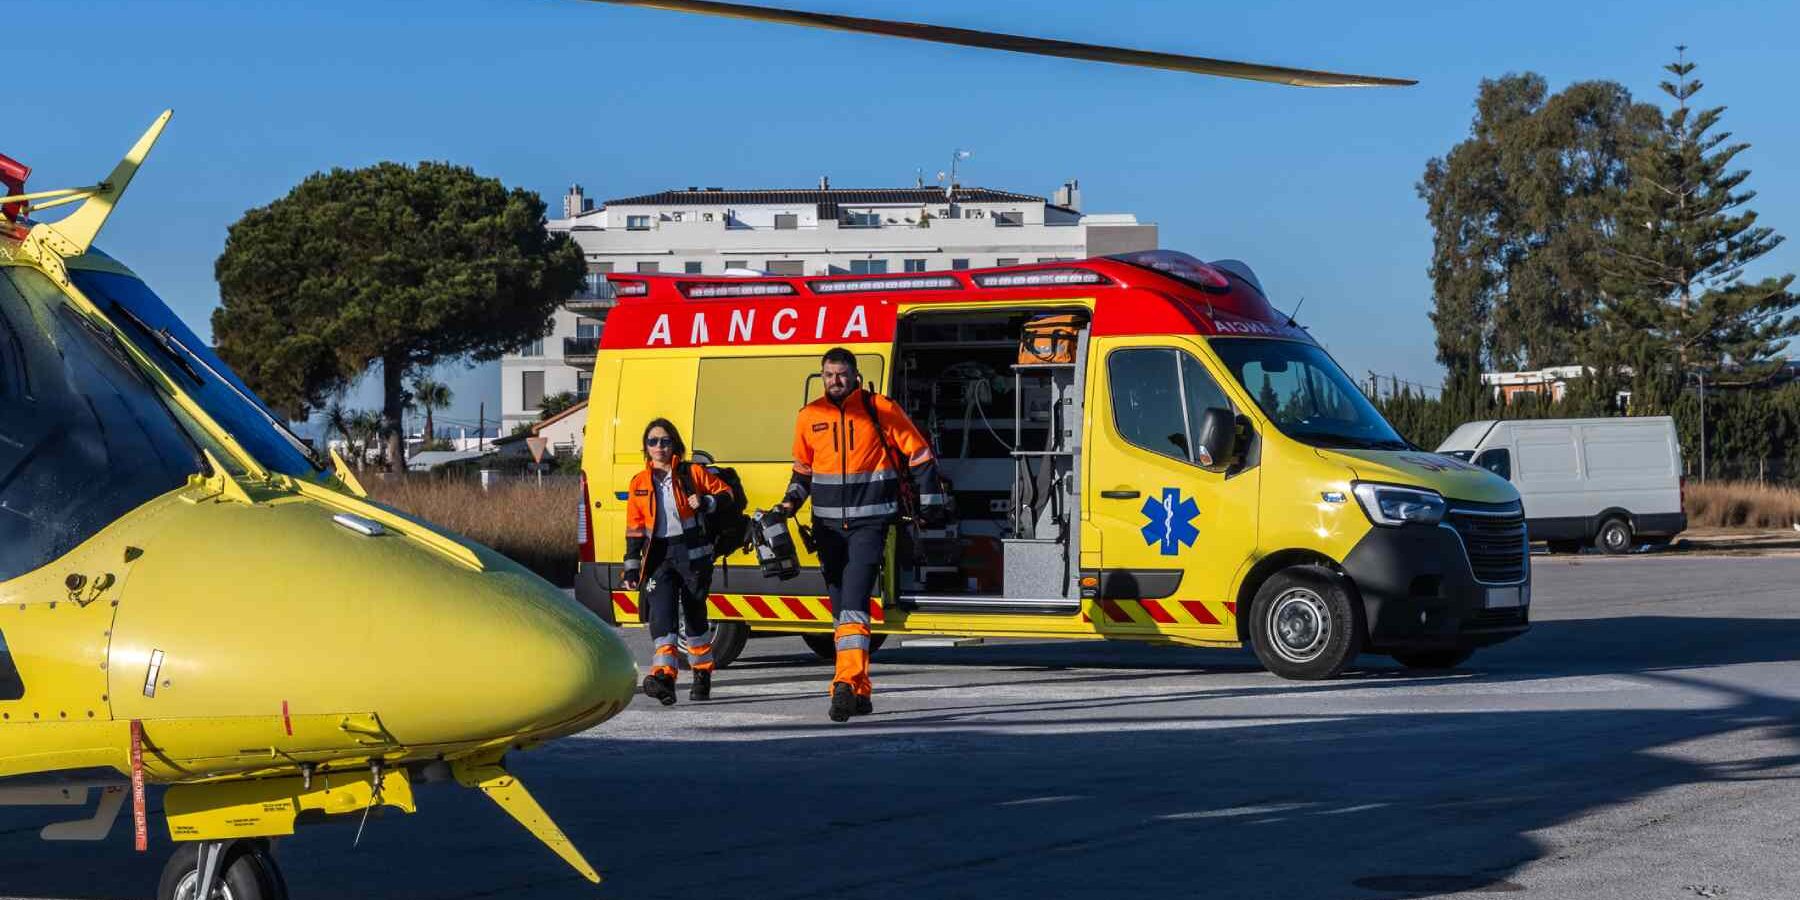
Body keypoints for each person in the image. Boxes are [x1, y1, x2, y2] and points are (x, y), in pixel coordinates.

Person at [781, 348, 947, 722]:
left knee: (854, 600)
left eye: (841, 374)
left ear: (855, 375)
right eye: (828, 375)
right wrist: (788, 504)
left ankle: (842, 683)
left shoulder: (880, 408)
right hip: (826, 529)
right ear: (821, 376)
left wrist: (931, 502)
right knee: (842, 609)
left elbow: (919, 455)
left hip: (870, 525)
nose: (834, 381)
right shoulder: (809, 417)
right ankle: (861, 690)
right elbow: (802, 473)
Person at [622, 418, 734, 704]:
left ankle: (702, 674)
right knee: (662, 616)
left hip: (693, 554)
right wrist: (632, 564)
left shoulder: (691, 473)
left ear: (674, 445)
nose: (658, 446)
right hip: (659, 556)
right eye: (652, 441)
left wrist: (707, 502)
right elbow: (635, 527)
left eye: (664, 441)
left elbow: (726, 494)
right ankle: (664, 678)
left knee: (695, 616)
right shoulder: (639, 482)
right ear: (646, 448)